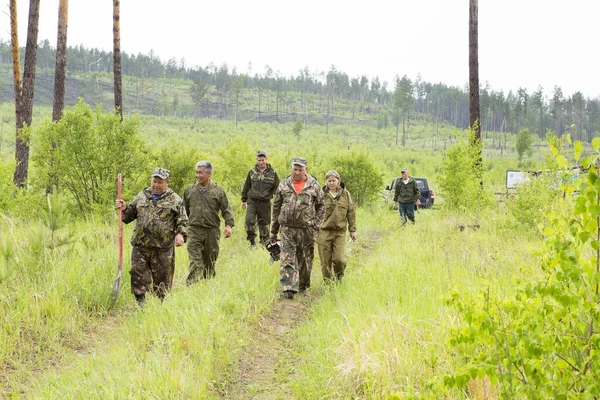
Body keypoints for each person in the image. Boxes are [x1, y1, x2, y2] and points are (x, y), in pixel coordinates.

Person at [115, 167, 188, 305]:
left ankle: (160, 306)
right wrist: (124, 208)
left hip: (163, 248)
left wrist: (180, 234)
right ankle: (140, 306)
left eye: (160, 182)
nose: (155, 185)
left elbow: (183, 220)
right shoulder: (142, 196)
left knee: (162, 280)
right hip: (141, 246)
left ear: (167, 182)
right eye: (154, 181)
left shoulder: (175, 199)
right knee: (138, 276)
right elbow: (128, 216)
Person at [271, 156, 325, 299]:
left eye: (300, 169)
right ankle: (288, 289)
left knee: (305, 259)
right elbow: (276, 208)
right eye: (295, 169)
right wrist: (273, 231)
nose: (297, 172)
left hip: (307, 229)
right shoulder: (283, 185)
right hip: (287, 229)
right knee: (287, 258)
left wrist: (316, 226)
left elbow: (321, 207)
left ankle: (303, 286)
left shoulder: (314, 186)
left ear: (305, 170)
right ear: (291, 169)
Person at [183, 160, 234, 284]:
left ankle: (208, 286)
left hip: (211, 231)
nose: (197, 175)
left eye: (200, 173)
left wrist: (228, 226)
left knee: (210, 262)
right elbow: (183, 212)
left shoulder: (218, 191)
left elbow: (226, 209)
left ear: (209, 174)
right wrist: (181, 230)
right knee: (196, 262)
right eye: (196, 173)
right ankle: (191, 288)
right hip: (194, 230)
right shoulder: (189, 190)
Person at [317, 170, 356, 284]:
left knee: (339, 259)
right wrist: (314, 232)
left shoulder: (345, 194)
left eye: (334, 180)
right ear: (326, 182)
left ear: (338, 181)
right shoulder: (321, 195)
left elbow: (351, 212)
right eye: (329, 180)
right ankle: (328, 284)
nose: (332, 183)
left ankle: (339, 277)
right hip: (324, 232)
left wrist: (352, 230)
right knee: (325, 261)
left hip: (340, 232)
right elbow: (313, 212)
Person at [241, 150, 280, 248]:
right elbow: (247, 186)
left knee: (264, 224)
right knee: (249, 221)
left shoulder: (272, 173)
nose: (261, 162)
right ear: (257, 160)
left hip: (265, 202)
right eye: (259, 160)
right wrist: (244, 200)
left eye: (263, 160)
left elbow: (277, 187)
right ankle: (251, 242)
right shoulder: (252, 171)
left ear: (266, 160)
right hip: (252, 201)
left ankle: (264, 244)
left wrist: (277, 198)